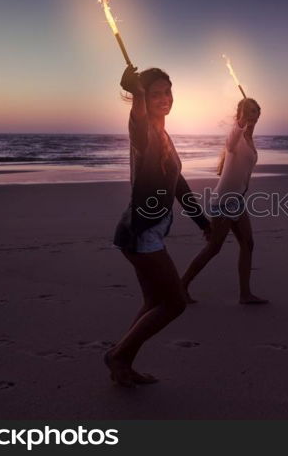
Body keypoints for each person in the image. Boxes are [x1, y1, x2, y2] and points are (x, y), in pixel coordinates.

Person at [105, 65, 211, 386]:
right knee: (175, 303)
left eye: (167, 92)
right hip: (140, 233)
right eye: (155, 94)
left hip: (142, 232)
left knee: (153, 302)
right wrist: (136, 94)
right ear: (143, 99)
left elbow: (177, 183)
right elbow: (136, 120)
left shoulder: (163, 133)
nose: (164, 98)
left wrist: (201, 220)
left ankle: (122, 359)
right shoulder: (145, 131)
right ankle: (119, 356)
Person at [181, 98, 268, 304]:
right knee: (214, 248)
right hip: (223, 202)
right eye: (248, 112)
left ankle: (245, 295)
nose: (252, 115)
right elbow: (230, 141)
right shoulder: (235, 139)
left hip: (237, 200)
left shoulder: (249, 139)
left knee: (248, 244)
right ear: (239, 115)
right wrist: (240, 123)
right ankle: (181, 285)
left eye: (255, 112)